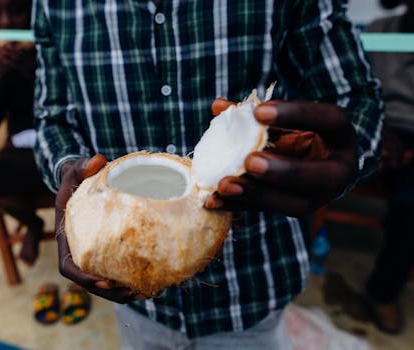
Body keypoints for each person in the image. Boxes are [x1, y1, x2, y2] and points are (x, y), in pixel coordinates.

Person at [32, 0, 383, 348]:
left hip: (252, 286)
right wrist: (68, 171)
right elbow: (54, 118)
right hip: (140, 305)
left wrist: (347, 154)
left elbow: (355, 99)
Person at [0, 0, 52, 266]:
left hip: (60, 142)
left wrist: (34, 72)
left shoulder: (51, 48)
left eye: (16, 10)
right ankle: (32, 223)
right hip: (21, 152)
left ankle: (73, 231)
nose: (5, 22)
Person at [363, 0, 414, 335]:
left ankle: (383, 292)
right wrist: (376, 130)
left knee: (411, 207)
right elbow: (354, 90)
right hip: (373, 127)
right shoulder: (379, 33)